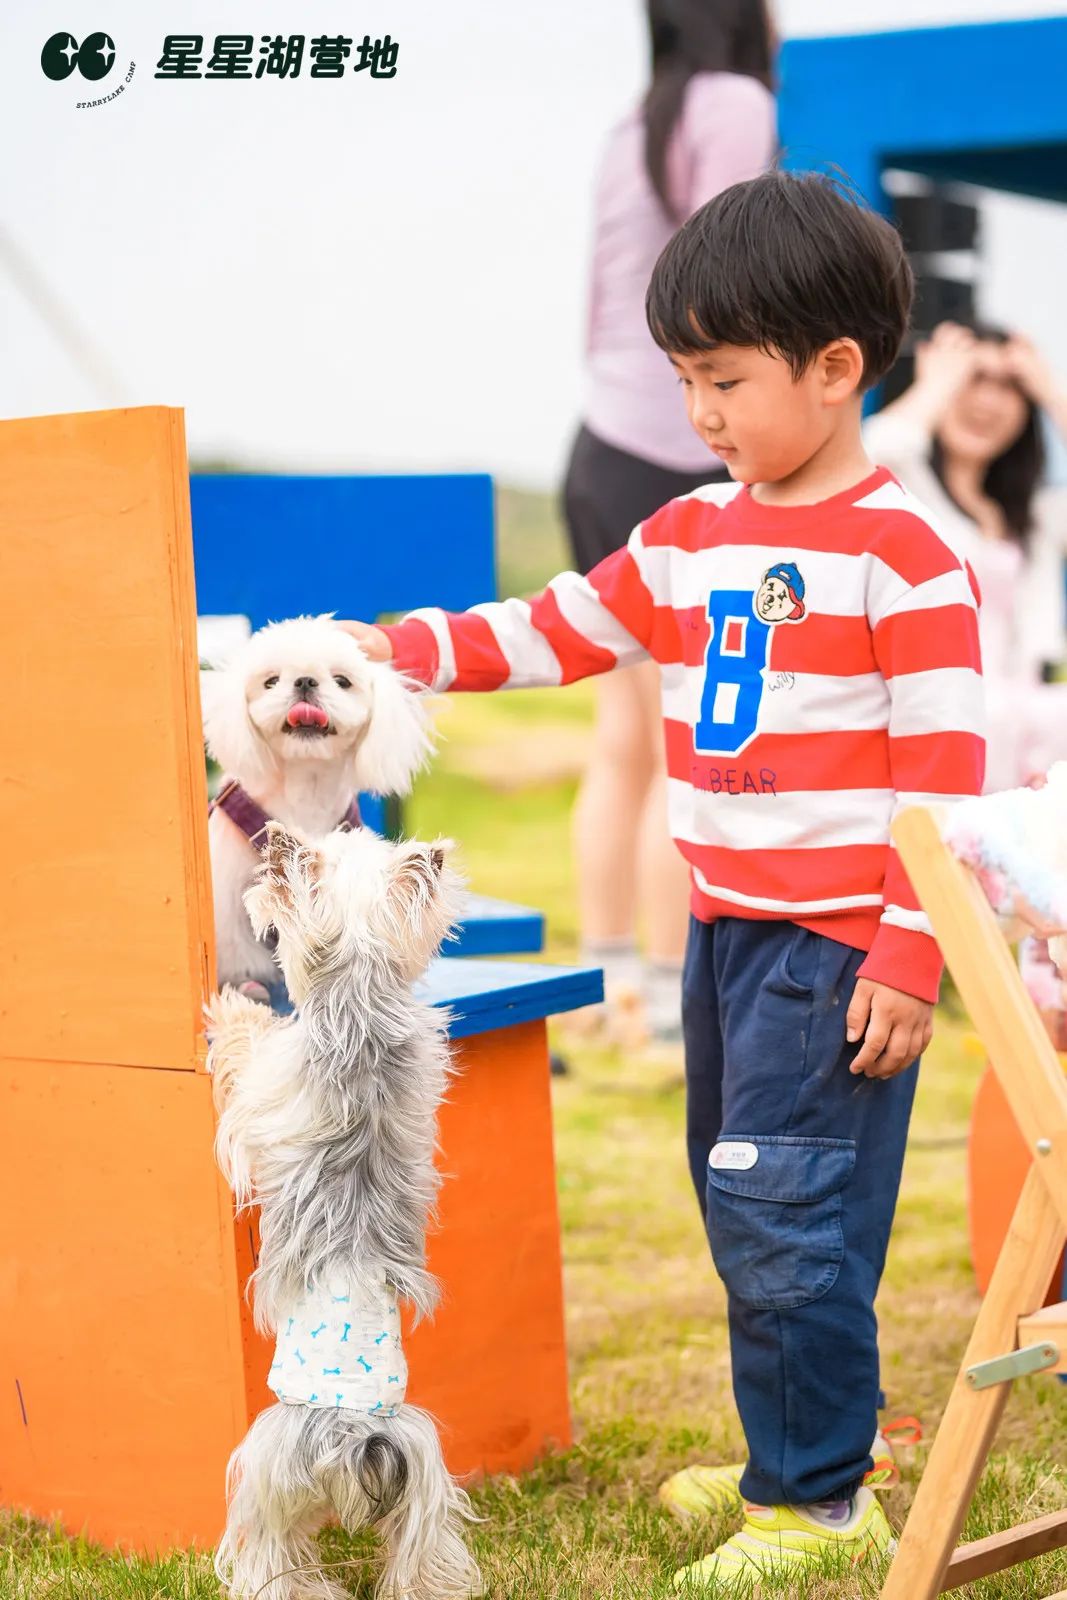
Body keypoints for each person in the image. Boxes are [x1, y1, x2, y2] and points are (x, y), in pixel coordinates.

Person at [341, 169, 984, 1590]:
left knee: (785, 1213)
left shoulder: (903, 556)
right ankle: (819, 1448)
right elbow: (552, 628)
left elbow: (943, 777)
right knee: (748, 1199)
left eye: (722, 379)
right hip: (721, 932)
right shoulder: (688, 535)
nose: (697, 411)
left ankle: (811, 1507)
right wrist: (402, 650)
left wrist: (905, 952)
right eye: (682, 378)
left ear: (833, 369)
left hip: (831, 950)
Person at [562, 0, 777, 1040]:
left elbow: (597, 312)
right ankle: (658, 993)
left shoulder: (628, 125)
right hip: (677, 453)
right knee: (672, 737)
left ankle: (605, 980)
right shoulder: (732, 103)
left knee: (624, 736)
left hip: (600, 447)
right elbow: (732, 277)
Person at [866, 320, 1067, 792]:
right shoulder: (905, 492)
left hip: (1035, 758)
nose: (988, 402)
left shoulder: (1037, 516)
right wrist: (935, 384)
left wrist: (1051, 391)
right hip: (945, 742)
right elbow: (870, 454)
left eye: (1009, 386)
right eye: (975, 377)